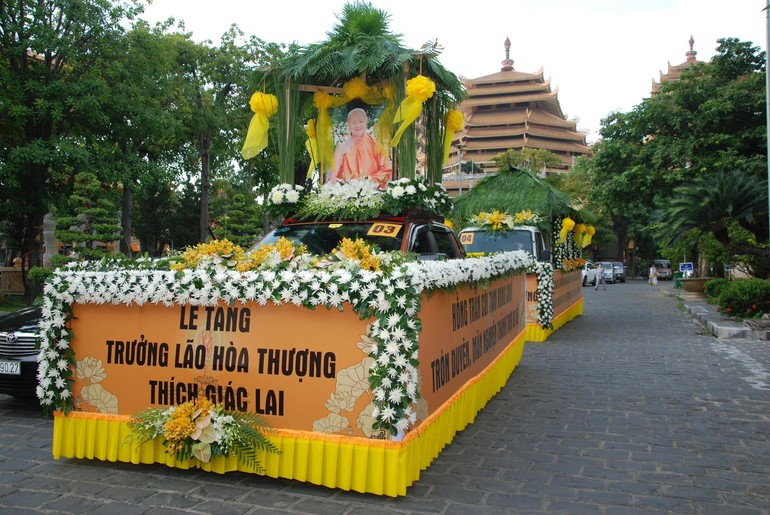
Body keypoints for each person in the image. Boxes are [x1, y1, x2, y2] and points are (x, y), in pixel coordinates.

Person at [329, 108, 392, 186]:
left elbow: (386, 170)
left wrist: (366, 182)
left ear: (366, 121)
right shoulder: (341, 148)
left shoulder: (375, 145)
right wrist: (349, 185)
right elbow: (332, 177)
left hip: (373, 191)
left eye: (361, 121)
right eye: (354, 122)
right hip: (347, 193)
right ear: (348, 124)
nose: (358, 126)